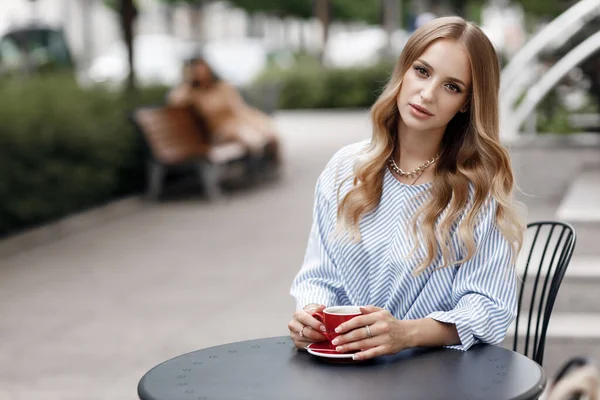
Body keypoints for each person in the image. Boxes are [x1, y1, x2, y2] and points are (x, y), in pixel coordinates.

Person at [288, 16, 527, 361]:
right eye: (423, 71)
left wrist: (406, 333)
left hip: (435, 373)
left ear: (466, 104)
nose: (427, 94)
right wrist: (309, 316)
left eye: (452, 86)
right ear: (404, 70)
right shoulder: (344, 168)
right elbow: (319, 275)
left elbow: (489, 309)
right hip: (343, 368)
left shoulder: (477, 191)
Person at [167, 56, 281, 169]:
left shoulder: (222, 86)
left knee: (269, 133)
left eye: (201, 67)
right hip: (221, 131)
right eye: (195, 69)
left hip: (238, 122)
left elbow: (239, 109)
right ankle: (256, 166)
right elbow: (174, 100)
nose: (200, 72)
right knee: (251, 138)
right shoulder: (192, 93)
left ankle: (268, 165)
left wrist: (256, 122)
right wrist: (187, 82)